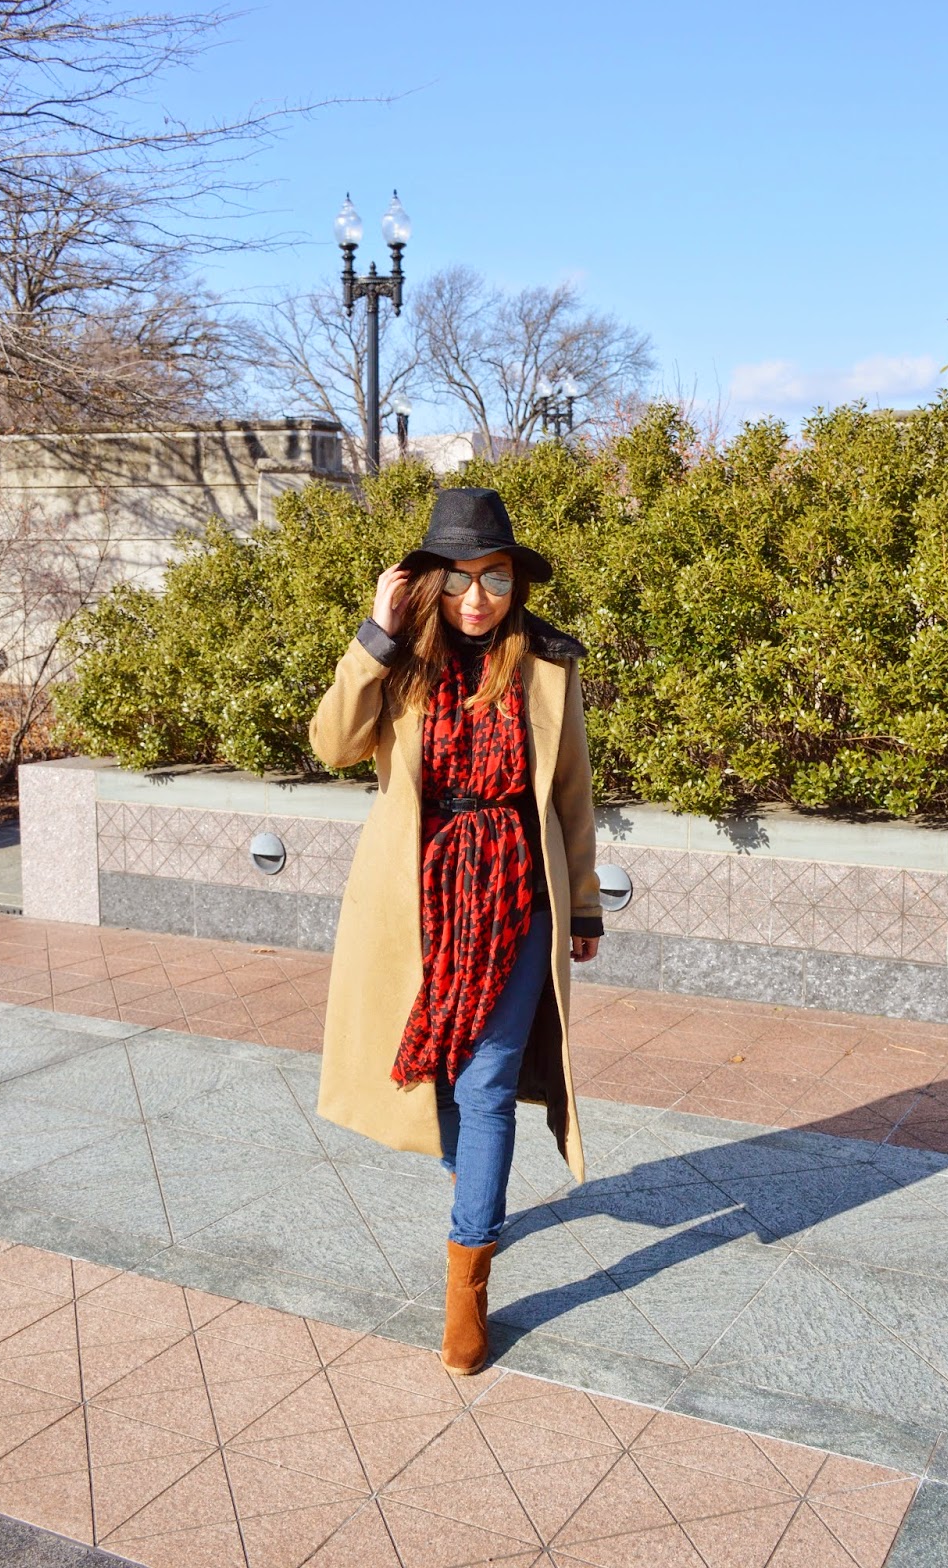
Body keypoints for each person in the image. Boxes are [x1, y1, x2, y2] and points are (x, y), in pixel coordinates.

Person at [309, 486, 603, 1374]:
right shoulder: (398, 661)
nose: (479, 597)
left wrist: (583, 903)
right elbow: (333, 745)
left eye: (497, 578)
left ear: (516, 584)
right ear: (431, 584)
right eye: (461, 579)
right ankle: (474, 1174)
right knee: (437, 1072)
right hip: (418, 902)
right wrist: (375, 633)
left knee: (487, 1085)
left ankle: (468, 1282)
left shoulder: (547, 664)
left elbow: (572, 793)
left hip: (517, 894)